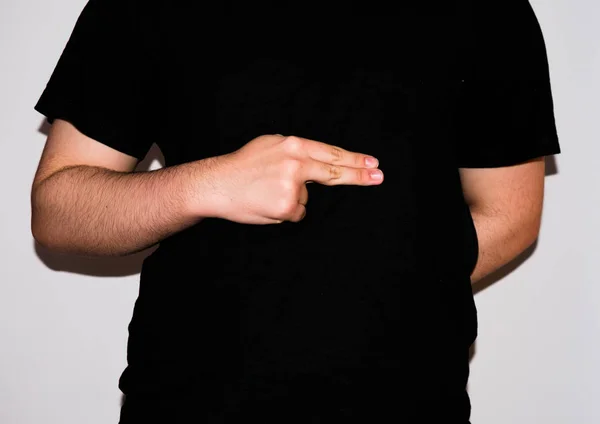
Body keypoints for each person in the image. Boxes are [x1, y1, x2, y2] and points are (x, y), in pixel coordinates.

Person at [30, 0, 561, 422]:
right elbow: (57, 209)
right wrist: (205, 184)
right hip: (186, 402)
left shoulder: (490, 10)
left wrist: (389, 274)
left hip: (415, 404)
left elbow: (510, 214)